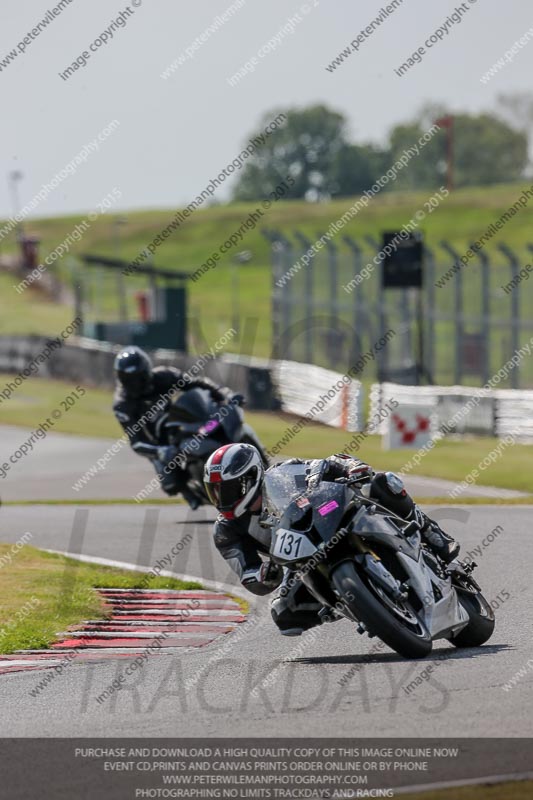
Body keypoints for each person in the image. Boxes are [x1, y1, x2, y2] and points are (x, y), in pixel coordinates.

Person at [203, 444, 460, 636]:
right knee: (283, 615)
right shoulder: (226, 531)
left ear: (249, 479)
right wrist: (264, 574)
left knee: (384, 483)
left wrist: (352, 468)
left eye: (225, 488)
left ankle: (431, 533)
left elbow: (328, 463)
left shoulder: (282, 474)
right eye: (213, 490)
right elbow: (248, 575)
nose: (220, 497)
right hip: (299, 564)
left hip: (333, 519)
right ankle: (351, 604)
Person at [113, 345, 230, 507]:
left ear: (146, 372)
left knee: (211, 427)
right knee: (170, 484)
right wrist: (158, 451)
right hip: (157, 445)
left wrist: (219, 394)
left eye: (136, 378)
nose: (133, 384)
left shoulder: (164, 376)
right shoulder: (123, 405)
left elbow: (194, 383)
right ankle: (189, 492)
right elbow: (136, 442)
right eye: (127, 380)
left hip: (177, 424)